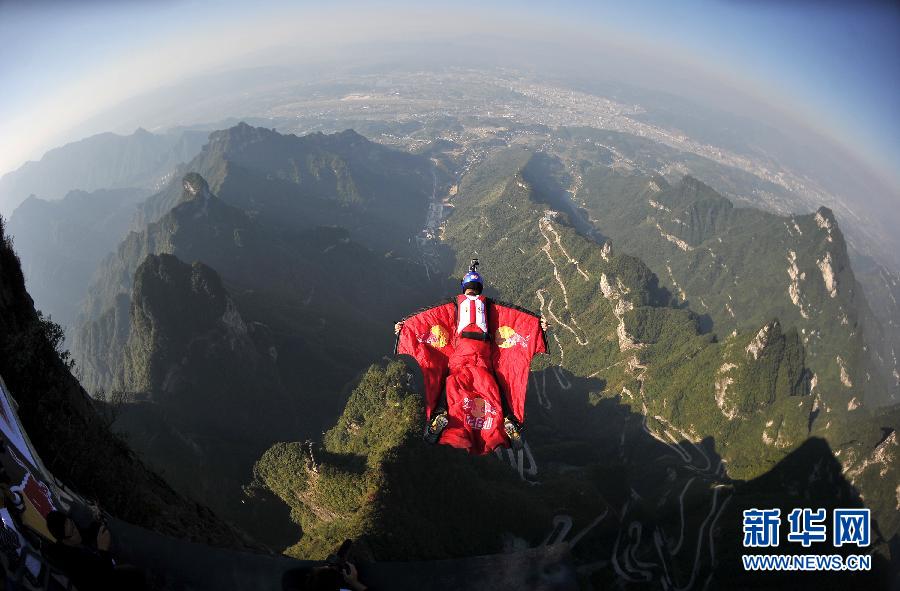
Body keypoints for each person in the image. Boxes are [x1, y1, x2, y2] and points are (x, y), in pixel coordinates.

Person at [395, 260, 547, 454]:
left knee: (449, 384)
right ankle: (509, 421)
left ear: (464, 288)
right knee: (494, 388)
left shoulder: (454, 305)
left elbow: (427, 319)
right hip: (483, 354)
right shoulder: (491, 306)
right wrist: (539, 327)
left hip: (461, 353)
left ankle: (440, 414)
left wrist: (403, 328)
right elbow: (518, 318)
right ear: (480, 288)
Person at [44, 510, 146, 591]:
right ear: (63, 540)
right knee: (135, 577)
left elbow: (86, 534)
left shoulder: (72, 538)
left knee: (133, 571)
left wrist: (97, 521)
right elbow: (104, 580)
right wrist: (103, 551)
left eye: (73, 525)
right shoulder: (72, 564)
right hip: (102, 582)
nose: (77, 532)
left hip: (103, 572)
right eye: (72, 532)